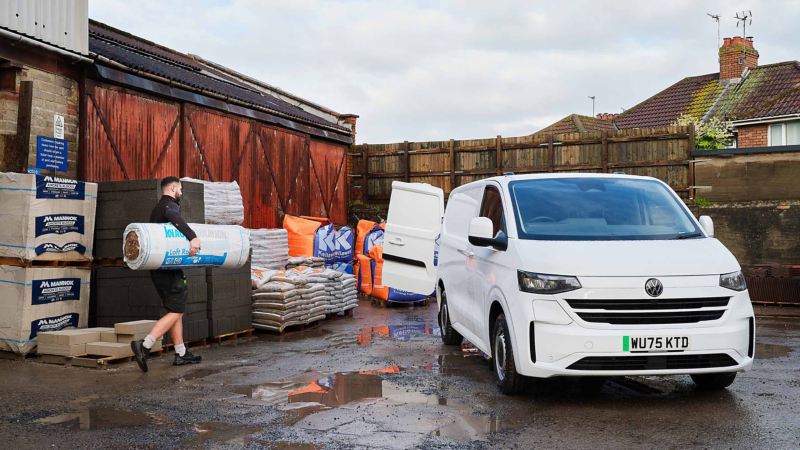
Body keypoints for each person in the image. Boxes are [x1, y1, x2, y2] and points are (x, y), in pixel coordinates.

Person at [131, 177, 203, 372]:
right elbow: (175, 217)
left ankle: (181, 353)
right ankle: (144, 346)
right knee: (177, 311)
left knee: (175, 311)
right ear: (173, 188)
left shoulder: (156, 209)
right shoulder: (170, 206)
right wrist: (193, 237)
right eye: (180, 188)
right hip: (169, 270)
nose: (181, 192)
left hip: (159, 269)